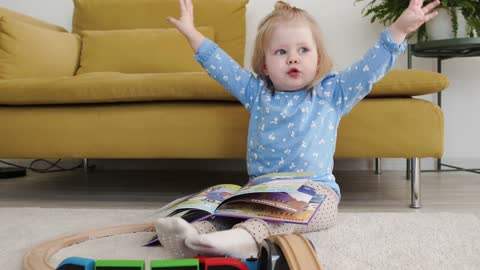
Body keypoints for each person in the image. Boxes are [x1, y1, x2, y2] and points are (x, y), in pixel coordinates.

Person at [156, 0, 441, 260]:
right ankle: (197, 235)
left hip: (315, 192)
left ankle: (246, 239)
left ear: (318, 58)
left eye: (303, 50)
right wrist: (193, 34)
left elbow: (369, 68)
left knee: (314, 212)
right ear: (265, 66)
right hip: (261, 190)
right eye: (281, 52)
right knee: (227, 212)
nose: (293, 58)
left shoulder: (332, 93)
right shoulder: (257, 93)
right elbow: (222, 67)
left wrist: (399, 30)